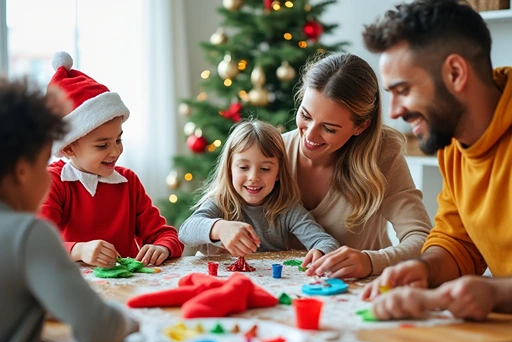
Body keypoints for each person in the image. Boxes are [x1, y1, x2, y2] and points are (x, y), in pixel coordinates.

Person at [359, 0, 512, 342]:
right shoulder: (454, 143)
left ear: (456, 72)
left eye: (403, 90)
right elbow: (457, 239)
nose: (393, 111)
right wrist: (425, 268)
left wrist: (495, 294)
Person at [0, 77, 139, 342]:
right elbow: (100, 332)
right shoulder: (29, 234)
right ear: (23, 171)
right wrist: (134, 322)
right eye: (43, 163)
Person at [283, 52, 432, 278]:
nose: (310, 134)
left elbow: (422, 239)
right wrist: (219, 230)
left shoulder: (383, 153)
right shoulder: (274, 151)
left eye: (329, 128)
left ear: (360, 127)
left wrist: (371, 261)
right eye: (305, 115)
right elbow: (214, 220)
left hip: (363, 293)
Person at [39, 51, 183, 267]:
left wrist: (161, 246)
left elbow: (165, 235)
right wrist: (79, 249)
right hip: (73, 286)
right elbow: (37, 244)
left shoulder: (128, 182)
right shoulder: (54, 182)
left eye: (118, 139)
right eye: (102, 145)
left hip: (126, 289)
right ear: (69, 147)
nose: (115, 151)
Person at [178, 119, 340, 259]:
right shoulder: (220, 203)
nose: (253, 177)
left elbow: (326, 241)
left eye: (265, 169)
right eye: (243, 167)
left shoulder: (286, 209)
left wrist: (320, 251)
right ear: (229, 169)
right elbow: (185, 231)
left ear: (278, 173)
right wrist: (220, 228)